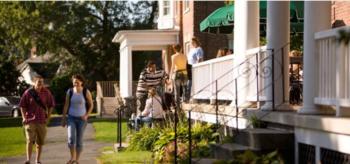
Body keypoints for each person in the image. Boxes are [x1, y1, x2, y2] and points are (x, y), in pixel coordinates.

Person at [20, 75, 55, 164]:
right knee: (29, 140)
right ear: (34, 82)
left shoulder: (47, 92)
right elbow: (22, 106)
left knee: (40, 142)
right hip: (30, 120)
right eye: (39, 82)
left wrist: (49, 116)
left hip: (42, 121)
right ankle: (28, 160)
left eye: (42, 82)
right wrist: (24, 117)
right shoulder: (28, 92)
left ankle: (37, 160)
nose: (40, 84)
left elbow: (51, 105)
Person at [61, 74, 93, 164]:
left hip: (82, 120)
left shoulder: (86, 91)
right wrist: (63, 118)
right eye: (74, 81)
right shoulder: (70, 91)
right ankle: (72, 158)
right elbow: (66, 105)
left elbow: (91, 105)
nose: (76, 83)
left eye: (78, 81)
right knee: (71, 138)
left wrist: (87, 115)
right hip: (71, 118)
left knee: (79, 141)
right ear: (73, 82)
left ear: (81, 82)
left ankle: (77, 160)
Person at [186, 37, 204, 101]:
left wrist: (197, 68)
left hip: (195, 68)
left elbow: (200, 59)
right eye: (191, 43)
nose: (191, 44)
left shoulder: (199, 49)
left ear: (195, 42)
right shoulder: (191, 50)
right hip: (189, 67)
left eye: (192, 42)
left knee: (192, 83)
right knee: (189, 83)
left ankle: (194, 97)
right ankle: (189, 97)